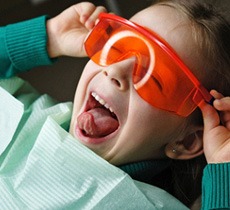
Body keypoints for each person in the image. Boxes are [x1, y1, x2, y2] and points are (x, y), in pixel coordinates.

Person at [0, 0, 229, 209]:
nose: (115, 71)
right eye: (117, 46)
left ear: (186, 141)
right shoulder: (23, 114)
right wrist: (51, 36)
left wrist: (223, 166)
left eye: (156, 80)